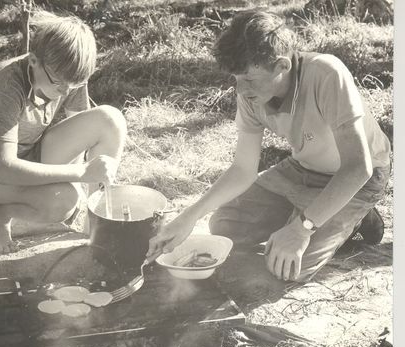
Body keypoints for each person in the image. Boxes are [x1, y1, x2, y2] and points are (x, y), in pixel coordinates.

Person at [148, 10, 391, 282]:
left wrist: (302, 228)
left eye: (249, 79)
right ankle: (316, 209)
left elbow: (358, 168)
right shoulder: (250, 92)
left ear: (282, 66)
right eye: (236, 79)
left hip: (360, 176)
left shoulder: (327, 73)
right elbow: (242, 169)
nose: (240, 90)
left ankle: (356, 216)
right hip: (304, 168)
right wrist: (189, 217)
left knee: (287, 268)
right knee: (224, 226)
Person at [0, 11, 127, 254]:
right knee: (64, 200)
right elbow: (6, 169)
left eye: (73, 84)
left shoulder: (67, 76)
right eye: (57, 83)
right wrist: (82, 173)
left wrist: (85, 181)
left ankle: (96, 220)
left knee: (110, 119)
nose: (64, 92)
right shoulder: (5, 85)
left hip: (31, 153)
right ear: (33, 61)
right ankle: (0, 213)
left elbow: (79, 136)